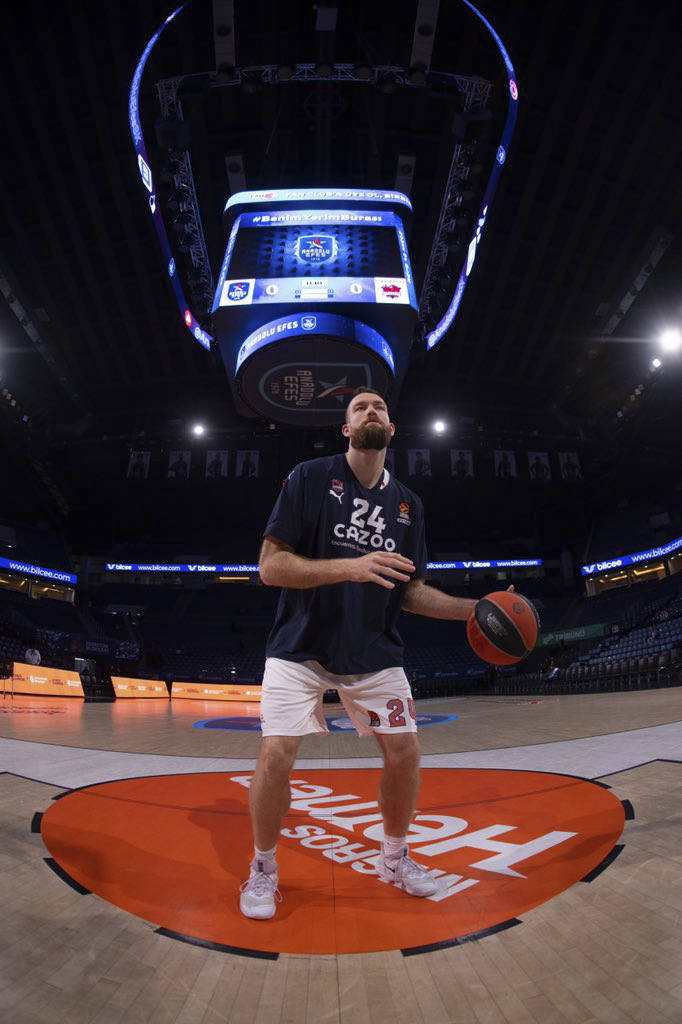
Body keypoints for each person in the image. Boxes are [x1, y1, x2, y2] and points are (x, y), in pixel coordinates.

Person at [239, 387, 513, 920]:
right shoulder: (310, 478)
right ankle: (263, 868)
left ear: (392, 430)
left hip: (373, 649)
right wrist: (350, 565)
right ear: (346, 430)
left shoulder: (410, 506)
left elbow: (408, 590)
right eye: (360, 408)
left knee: (405, 752)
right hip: (299, 647)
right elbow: (271, 567)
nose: (371, 411)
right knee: (276, 756)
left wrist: (472, 610)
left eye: (380, 407)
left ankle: (394, 857)